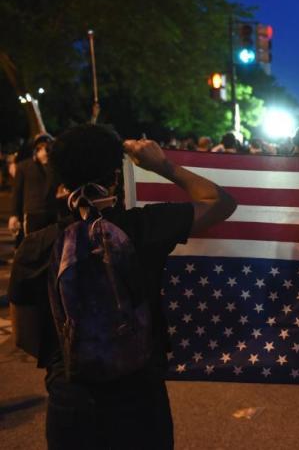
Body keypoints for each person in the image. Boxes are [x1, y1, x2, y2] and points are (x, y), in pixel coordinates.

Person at [8, 124, 236, 449]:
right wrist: (161, 165)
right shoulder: (144, 227)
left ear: (60, 181)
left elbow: (26, 338)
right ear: (116, 176)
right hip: (140, 398)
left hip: (71, 401)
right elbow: (221, 201)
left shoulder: (34, 248)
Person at [9, 134, 60, 241]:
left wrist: (47, 164)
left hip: (51, 212)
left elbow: (55, 184)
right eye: (41, 147)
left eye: (47, 147)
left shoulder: (54, 166)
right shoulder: (24, 166)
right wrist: (14, 215)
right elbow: (17, 192)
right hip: (32, 213)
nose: (45, 150)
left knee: (50, 247)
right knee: (31, 245)